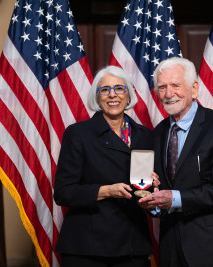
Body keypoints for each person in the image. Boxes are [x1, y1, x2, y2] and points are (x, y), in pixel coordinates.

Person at [139, 57, 213, 267]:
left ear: (194, 89)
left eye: (175, 85)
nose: (168, 94)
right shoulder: (157, 134)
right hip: (171, 247)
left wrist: (174, 198)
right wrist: (152, 203)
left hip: (212, 245)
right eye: (162, 87)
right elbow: (159, 187)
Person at [54, 65, 159, 267]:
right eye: (105, 90)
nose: (113, 95)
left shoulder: (145, 135)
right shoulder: (78, 134)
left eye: (120, 88)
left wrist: (153, 188)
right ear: (97, 97)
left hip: (132, 244)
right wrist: (107, 191)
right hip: (87, 248)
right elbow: (63, 193)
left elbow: (146, 191)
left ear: (128, 95)